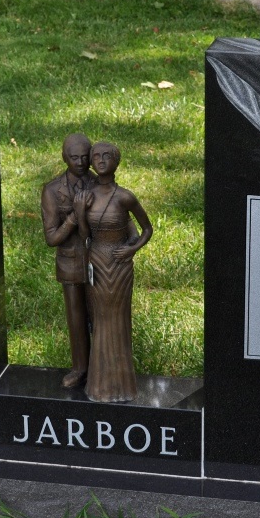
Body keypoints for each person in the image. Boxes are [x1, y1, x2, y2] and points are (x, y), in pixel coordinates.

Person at [74, 142, 152, 402]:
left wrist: (132, 250)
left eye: (107, 156)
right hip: (96, 261)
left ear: (117, 161)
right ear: (91, 162)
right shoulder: (87, 195)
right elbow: (85, 235)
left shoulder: (125, 196)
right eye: (96, 156)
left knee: (117, 321)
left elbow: (147, 229)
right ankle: (99, 386)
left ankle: (122, 387)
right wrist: (80, 213)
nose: (101, 160)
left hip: (119, 266)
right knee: (100, 320)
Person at [41, 133, 95, 388]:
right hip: (71, 262)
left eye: (85, 157)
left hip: (99, 260)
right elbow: (52, 238)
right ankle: (80, 367)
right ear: (64, 158)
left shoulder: (99, 184)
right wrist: (75, 216)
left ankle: (101, 366)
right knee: (76, 318)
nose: (81, 162)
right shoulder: (52, 190)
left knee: (99, 315)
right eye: (74, 157)